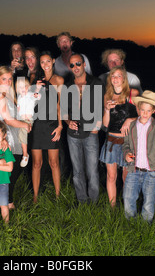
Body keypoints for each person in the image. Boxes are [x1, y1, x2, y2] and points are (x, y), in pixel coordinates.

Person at [62, 53, 104, 204]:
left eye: (78, 63)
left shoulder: (96, 82)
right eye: (72, 65)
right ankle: (82, 200)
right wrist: (68, 122)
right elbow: (64, 110)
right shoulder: (67, 86)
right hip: (72, 134)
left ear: (84, 64)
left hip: (91, 132)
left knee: (92, 170)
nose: (75, 67)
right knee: (77, 170)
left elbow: (100, 107)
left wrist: (97, 127)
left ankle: (93, 202)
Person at [122, 91, 155, 223]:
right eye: (142, 110)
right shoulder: (131, 125)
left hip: (151, 170)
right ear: (138, 108)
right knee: (129, 196)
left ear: (153, 110)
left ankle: (145, 224)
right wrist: (127, 154)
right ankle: (130, 223)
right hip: (134, 169)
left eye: (148, 110)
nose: (145, 113)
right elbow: (126, 144)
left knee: (149, 198)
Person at [99, 66, 139, 207]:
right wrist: (107, 110)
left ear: (124, 78)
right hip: (111, 140)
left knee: (126, 177)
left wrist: (130, 119)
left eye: (118, 76)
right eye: (113, 76)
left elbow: (143, 116)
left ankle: (127, 206)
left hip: (127, 142)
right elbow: (105, 124)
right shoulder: (107, 96)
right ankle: (113, 208)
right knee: (111, 176)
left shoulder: (132, 94)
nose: (115, 79)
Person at [0, 66, 32, 209]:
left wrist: (25, 123)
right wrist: (24, 125)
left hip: (15, 134)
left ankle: (6, 200)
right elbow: (8, 120)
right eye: (4, 79)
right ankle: (7, 202)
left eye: (10, 79)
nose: (8, 81)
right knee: (10, 170)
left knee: (14, 169)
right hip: (7, 135)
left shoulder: (9, 94)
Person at [29, 51, 64, 203]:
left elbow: (59, 105)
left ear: (53, 61)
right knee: (37, 163)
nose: (45, 65)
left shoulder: (59, 80)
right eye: (42, 62)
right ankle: (35, 197)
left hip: (52, 124)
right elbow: (30, 103)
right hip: (37, 124)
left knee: (54, 162)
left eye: (48, 61)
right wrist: (35, 89)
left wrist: (61, 126)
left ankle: (58, 196)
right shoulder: (34, 79)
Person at [15, 77, 40, 167]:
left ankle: (25, 155)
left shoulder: (29, 95)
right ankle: (22, 152)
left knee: (23, 133)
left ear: (28, 87)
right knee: (19, 135)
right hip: (20, 120)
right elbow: (18, 110)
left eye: (25, 86)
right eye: (20, 87)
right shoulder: (19, 98)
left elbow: (37, 96)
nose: (23, 89)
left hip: (28, 120)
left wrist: (37, 91)